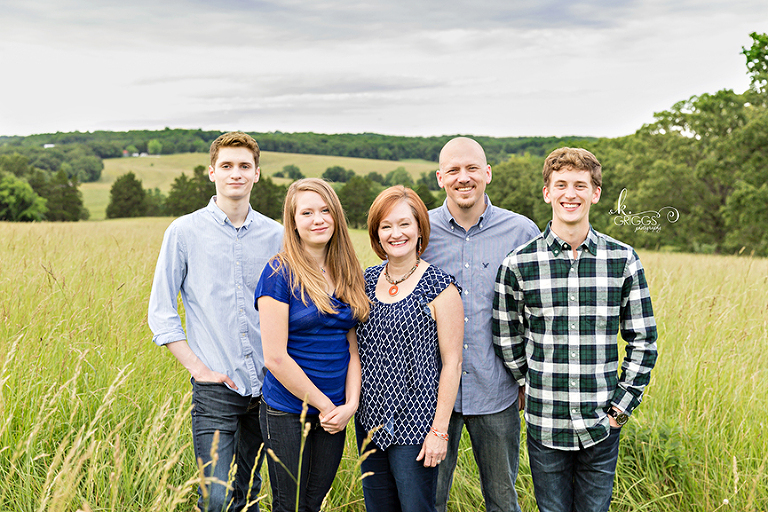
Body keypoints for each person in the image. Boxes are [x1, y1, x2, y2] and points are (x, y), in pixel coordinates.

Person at [493, 147, 659, 512]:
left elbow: (643, 339)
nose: (571, 194)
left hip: (601, 421)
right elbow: (507, 336)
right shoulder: (519, 264)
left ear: (596, 193)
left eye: (581, 185)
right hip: (545, 422)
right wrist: (529, 383)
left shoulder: (622, 260)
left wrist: (620, 409)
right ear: (547, 192)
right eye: (562, 185)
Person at [148, 131, 283, 512]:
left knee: (249, 491)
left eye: (244, 166)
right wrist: (198, 368)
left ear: (257, 173)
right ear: (212, 172)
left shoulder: (277, 235)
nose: (235, 174)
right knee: (216, 496)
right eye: (226, 166)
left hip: (268, 387)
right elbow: (161, 309)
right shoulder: (184, 232)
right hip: (215, 388)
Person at [420, 137, 539, 512]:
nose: (463, 177)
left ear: (487, 173)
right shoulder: (420, 230)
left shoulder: (521, 232)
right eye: (453, 170)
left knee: (503, 499)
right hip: (432, 395)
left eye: (472, 168)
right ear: (440, 178)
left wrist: (526, 378)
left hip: (498, 389)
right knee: (429, 498)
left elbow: (536, 312)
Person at [255, 178, 369, 512]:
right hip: (288, 410)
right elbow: (275, 357)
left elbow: (353, 348)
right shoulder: (279, 272)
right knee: (289, 506)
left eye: (324, 210)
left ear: (336, 216)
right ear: (293, 222)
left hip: (334, 412)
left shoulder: (348, 271)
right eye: (306, 212)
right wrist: (324, 406)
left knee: (313, 503)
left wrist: (349, 405)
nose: (317, 219)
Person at [355, 185, 464, 512]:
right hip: (370, 422)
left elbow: (453, 363)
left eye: (404, 224)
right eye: (386, 226)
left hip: (416, 426)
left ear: (419, 229)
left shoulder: (440, 288)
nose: (395, 233)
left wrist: (439, 432)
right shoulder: (364, 281)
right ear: (376, 234)